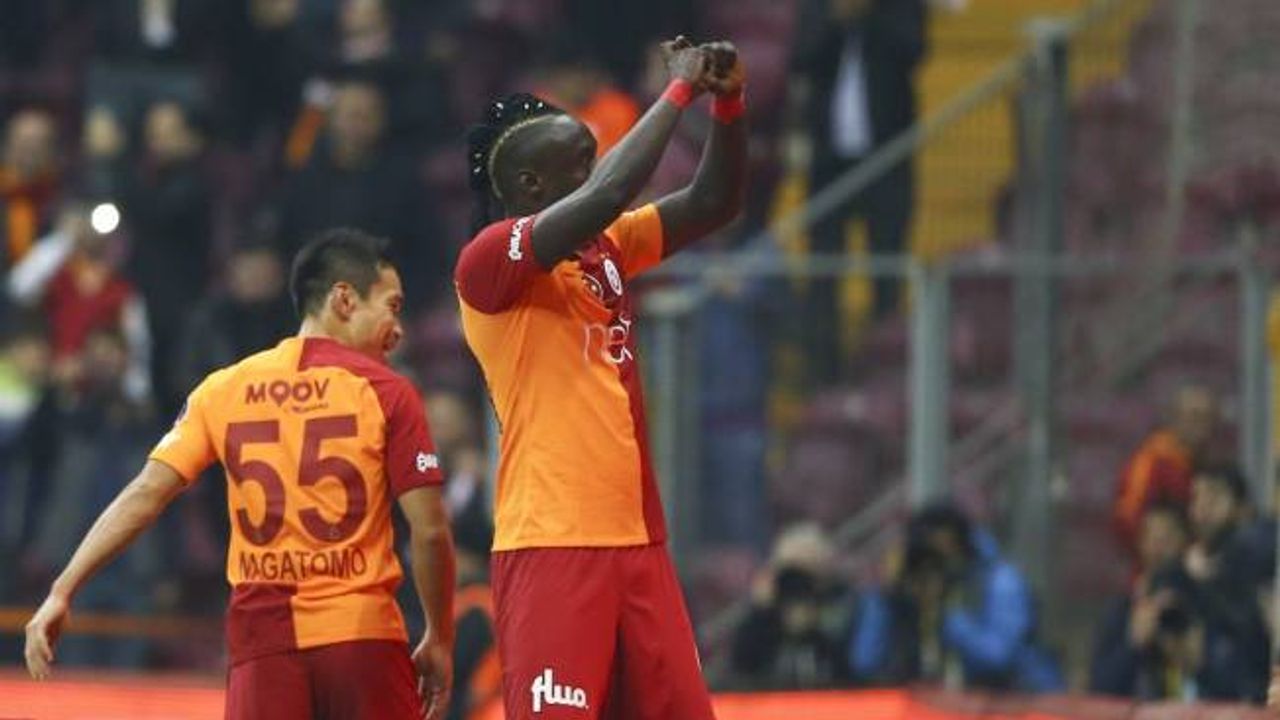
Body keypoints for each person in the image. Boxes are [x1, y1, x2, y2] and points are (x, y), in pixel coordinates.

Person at [25, 230, 457, 719]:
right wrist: (440, 638)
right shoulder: (388, 392)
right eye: (391, 307)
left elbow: (146, 493)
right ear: (343, 299)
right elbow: (429, 529)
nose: (397, 329)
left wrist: (63, 589)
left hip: (264, 646)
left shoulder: (224, 389)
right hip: (362, 640)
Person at [455, 37, 746, 718]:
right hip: (552, 543)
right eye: (580, 163)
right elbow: (612, 191)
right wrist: (677, 91)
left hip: (638, 540)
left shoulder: (605, 248)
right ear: (531, 187)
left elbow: (714, 201)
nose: (597, 170)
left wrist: (729, 103)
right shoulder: (487, 262)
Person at [789, 0, 927, 383]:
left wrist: (869, 15)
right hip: (828, 166)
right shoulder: (820, 8)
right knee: (823, 274)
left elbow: (915, 49)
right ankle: (822, 380)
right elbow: (801, 56)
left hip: (887, 162)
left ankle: (884, 377)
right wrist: (838, 20)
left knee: (887, 273)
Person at [849, 503, 1064, 692]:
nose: (934, 567)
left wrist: (946, 618)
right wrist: (884, 598)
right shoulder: (905, 599)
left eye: (937, 556)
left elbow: (1001, 656)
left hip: (1016, 701)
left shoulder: (999, 581)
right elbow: (865, 662)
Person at [729, 524, 851, 689]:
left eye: (806, 578)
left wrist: (815, 627)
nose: (797, 588)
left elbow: (848, 673)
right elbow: (741, 665)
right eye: (790, 577)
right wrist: (761, 611)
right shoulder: (763, 626)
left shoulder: (839, 615)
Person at [1113, 384, 1218, 549]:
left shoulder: (1208, 464)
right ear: (1174, 418)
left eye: (1208, 418)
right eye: (1194, 416)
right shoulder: (1152, 460)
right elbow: (1128, 517)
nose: (1201, 426)